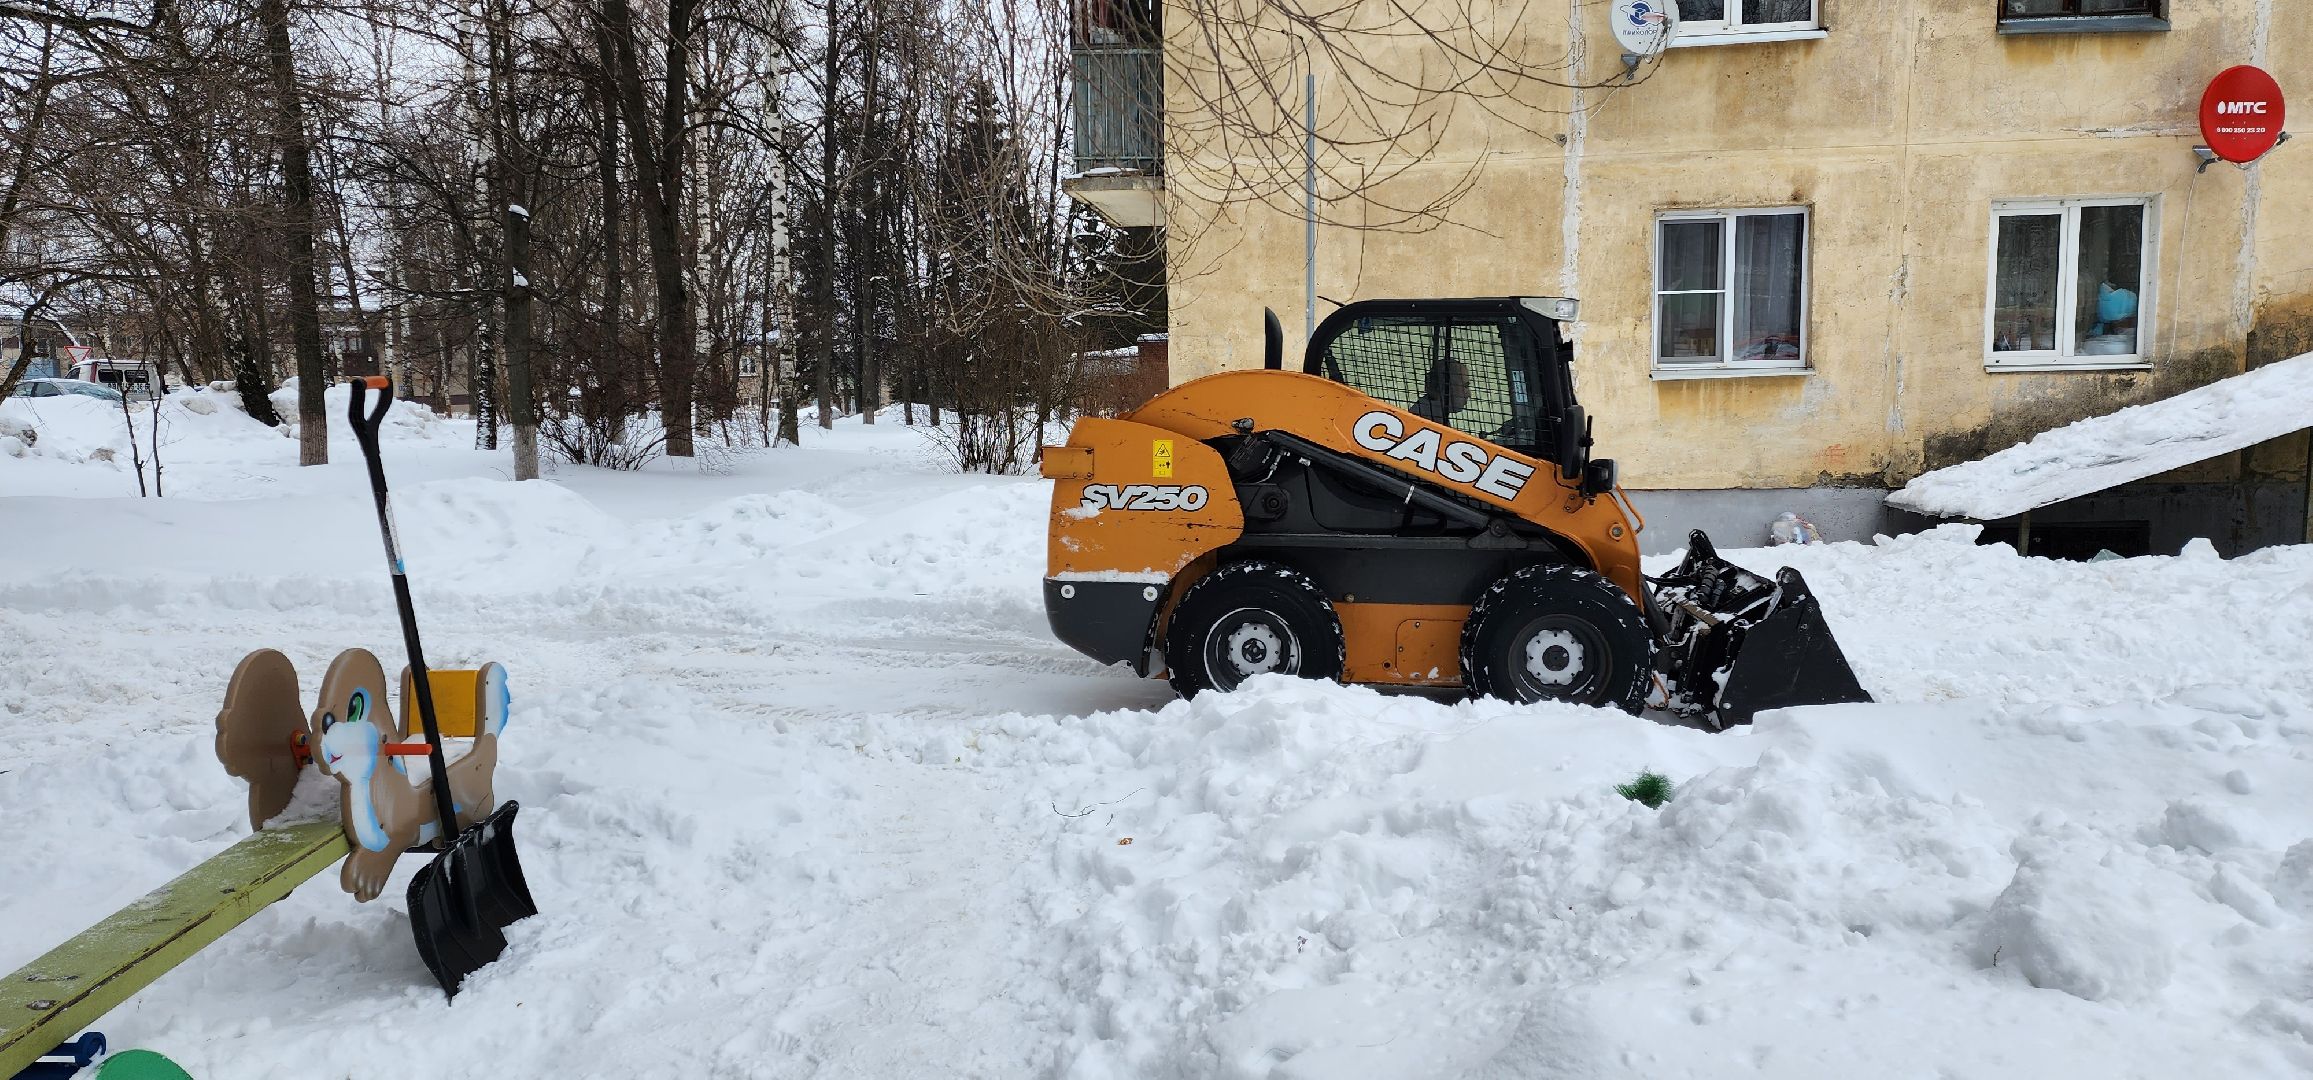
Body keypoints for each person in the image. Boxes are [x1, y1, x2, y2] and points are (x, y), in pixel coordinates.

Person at [1408, 357, 1468, 423]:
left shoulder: (1432, 414)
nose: (1469, 394)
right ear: (1445, 386)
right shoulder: (1428, 420)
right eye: (1465, 386)